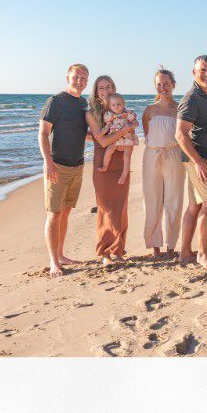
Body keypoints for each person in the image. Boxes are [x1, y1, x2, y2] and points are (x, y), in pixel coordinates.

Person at [38, 62, 92, 275]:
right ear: (68, 78)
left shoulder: (82, 105)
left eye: (83, 78)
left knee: (66, 213)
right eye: (76, 77)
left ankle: (61, 254)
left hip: (78, 165)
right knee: (54, 214)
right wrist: (48, 161)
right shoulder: (56, 102)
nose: (79, 81)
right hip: (57, 166)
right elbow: (43, 134)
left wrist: (104, 138)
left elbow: (82, 135)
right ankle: (53, 262)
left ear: (87, 81)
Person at [176, 55, 207, 269]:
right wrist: (198, 162)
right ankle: (202, 254)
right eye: (202, 70)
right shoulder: (191, 98)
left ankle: (185, 253)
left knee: (195, 206)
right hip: (201, 160)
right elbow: (180, 134)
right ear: (193, 72)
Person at [141, 69, 185, 259]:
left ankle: (171, 246)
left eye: (166, 83)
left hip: (174, 155)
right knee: (152, 201)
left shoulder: (180, 108)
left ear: (173, 85)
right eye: (159, 84)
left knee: (174, 201)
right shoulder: (150, 110)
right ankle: (155, 245)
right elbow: (147, 133)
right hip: (152, 156)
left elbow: (185, 133)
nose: (163, 87)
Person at [88, 73, 131, 260]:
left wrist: (126, 130)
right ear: (96, 92)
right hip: (102, 162)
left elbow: (133, 126)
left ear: (114, 88)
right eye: (101, 88)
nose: (105, 91)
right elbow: (103, 141)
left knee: (121, 207)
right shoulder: (91, 113)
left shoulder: (121, 108)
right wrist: (123, 131)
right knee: (105, 207)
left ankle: (119, 250)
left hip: (121, 159)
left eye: (108, 87)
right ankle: (105, 252)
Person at [99, 94, 139, 183]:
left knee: (127, 156)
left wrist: (131, 125)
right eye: (113, 105)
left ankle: (124, 175)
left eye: (118, 104)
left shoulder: (128, 114)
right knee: (109, 150)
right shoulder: (110, 116)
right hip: (115, 138)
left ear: (123, 104)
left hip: (128, 137)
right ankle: (105, 166)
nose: (116, 106)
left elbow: (137, 124)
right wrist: (101, 132)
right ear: (110, 106)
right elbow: (106, 126)